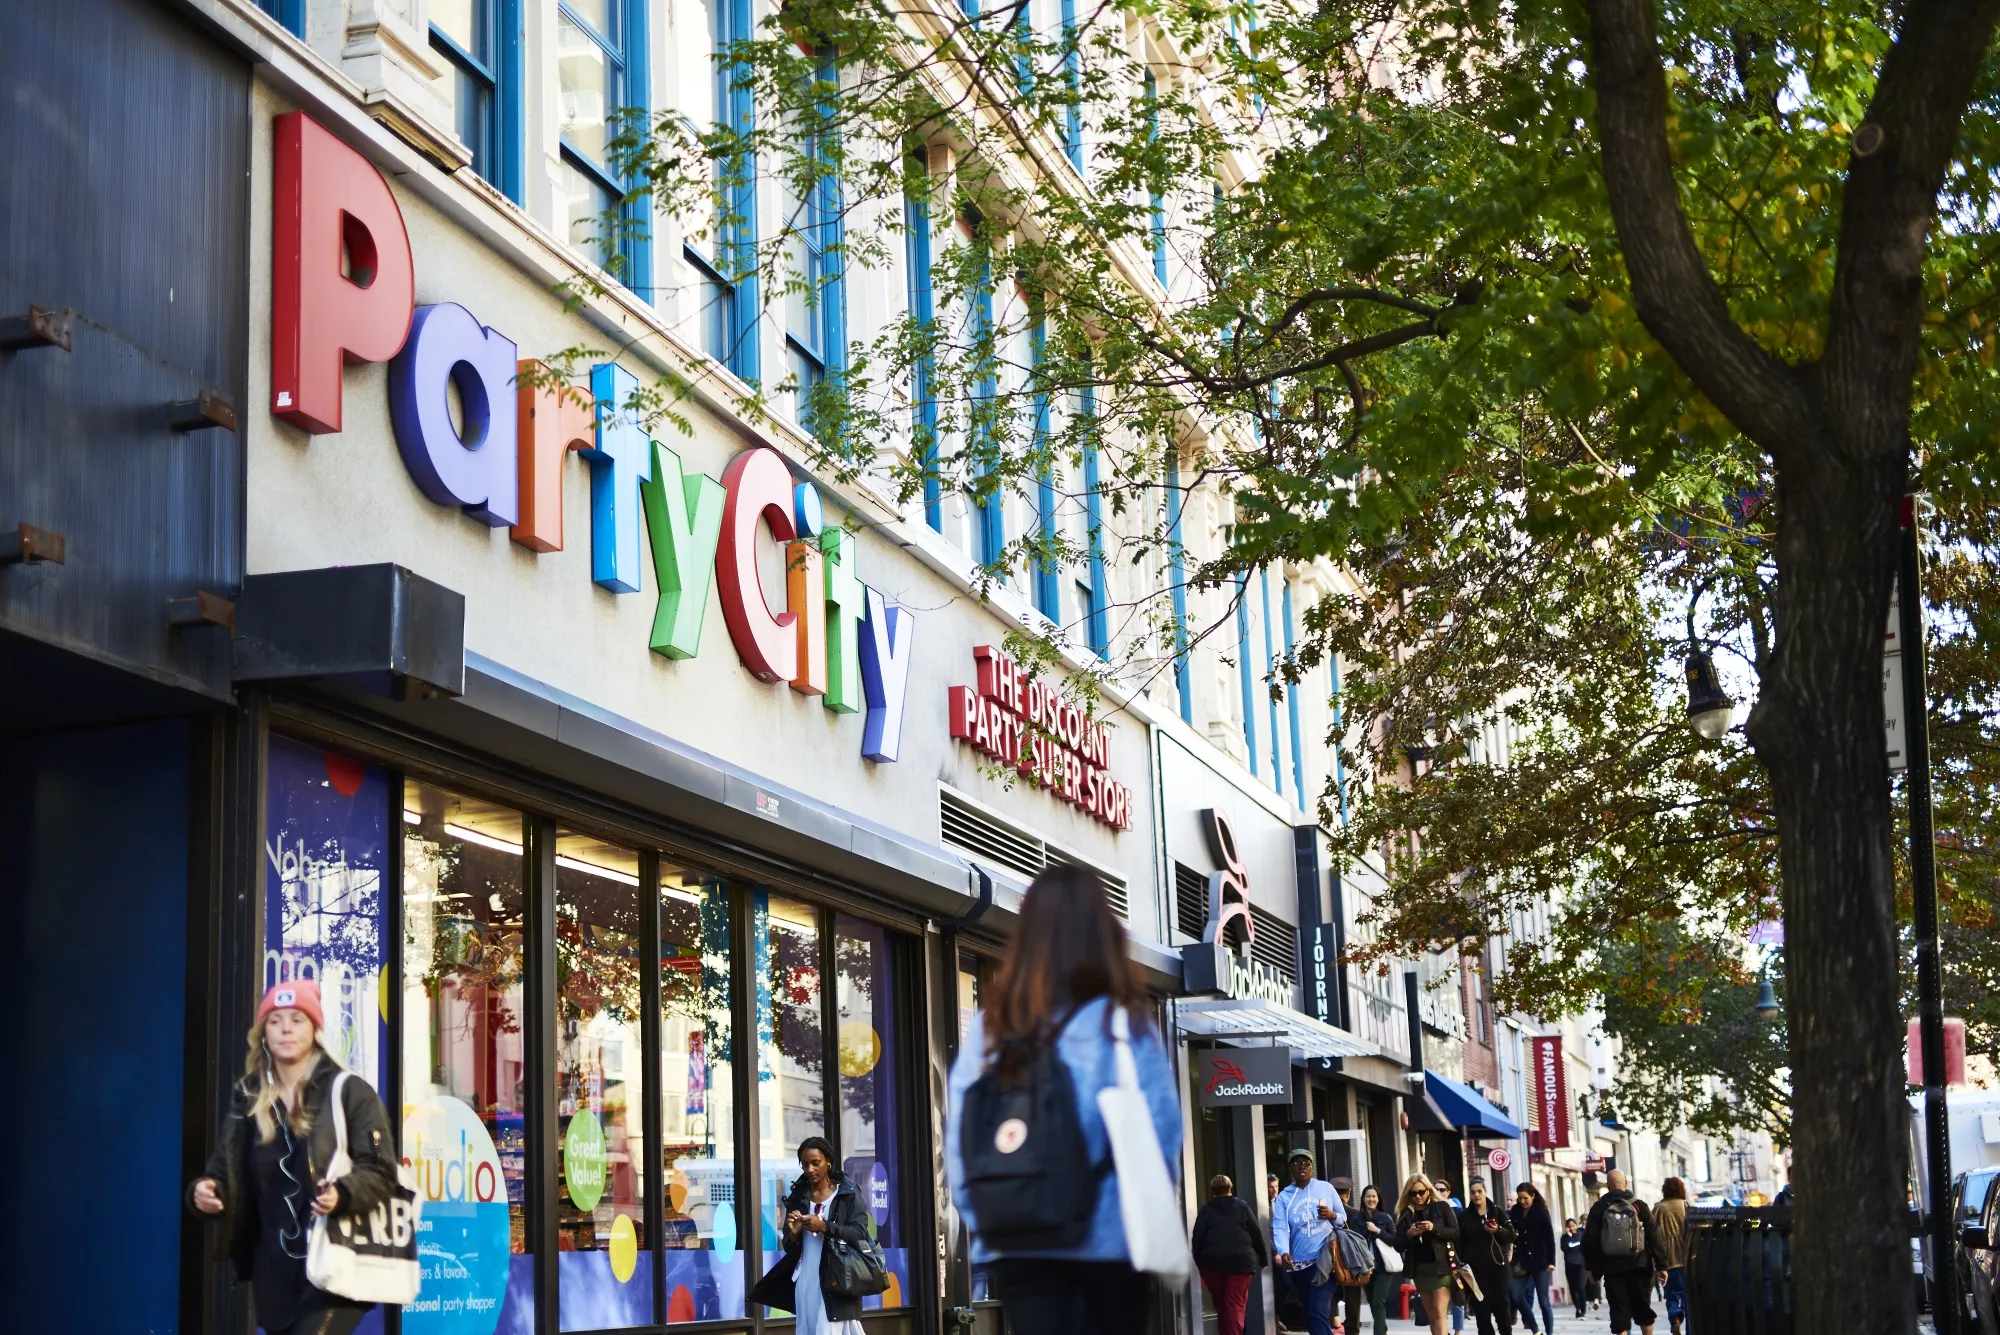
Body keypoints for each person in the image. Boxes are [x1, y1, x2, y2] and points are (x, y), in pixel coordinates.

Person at [944, 865, 1181, 1335]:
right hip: (1111, 1243)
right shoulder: (1122, 1027)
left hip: (1019, 1243)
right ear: (1103, 933)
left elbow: (962, 1141)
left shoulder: (994, 1028)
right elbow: (1162, 1138)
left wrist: (991, 1217)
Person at [186, 981, 399, 1335]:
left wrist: (342, 1193)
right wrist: (204, 1193)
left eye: (297, 1019)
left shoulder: (348, 1091)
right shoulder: (248, 1098)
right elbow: (224, 1176)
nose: (286, 1028)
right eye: (275, 1020)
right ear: (263, 1034)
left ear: (315, 1030)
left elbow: (381, 1170)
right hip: (273, 1272)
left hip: (337, 1261)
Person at [749, 1137, 869, 1334]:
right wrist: (794, 1234)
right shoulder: (799, 1196)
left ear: (828, 1161)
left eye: (816, 1163)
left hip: (837, 1278)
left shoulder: (847, 1193)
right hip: (806, 1278)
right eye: (805, 1164)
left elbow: (860, 1233)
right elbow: (789, 1245)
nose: (810, 1169)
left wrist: (824, 1226)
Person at [1582, 1170, 1667, 1335]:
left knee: (1619, 1312)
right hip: (1640, 1266)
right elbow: (1654, 1235)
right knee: (1643, 1310)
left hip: (1612, 1268)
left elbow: (1590, 1240)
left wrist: (1593, 1269)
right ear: (1625, 1184)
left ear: (1608, 1186)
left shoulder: (1600, 1207)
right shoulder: (1639, 1205)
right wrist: (1662, 1265)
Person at [1272, 1147, 1346, 1335]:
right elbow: (1280, 1228)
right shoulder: (1284, 1197)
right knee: (1310, 1313)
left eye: (1306, 1164)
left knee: (1318, 1311)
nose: (1302, 1167)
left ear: (1312, 1167)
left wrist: (1331, 1214)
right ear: (1291, 1168)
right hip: (1298, 1265)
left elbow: (1343, 1218)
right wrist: (1284, 1252)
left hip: (1325, 1260)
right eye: (1297, 1164)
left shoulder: (1326, 1188)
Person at [1192, 1174, 1270, 1335]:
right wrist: (1263, 1259)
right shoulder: (1242, 1206)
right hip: (1240, 1263)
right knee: (1234, 1305)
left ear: (1213, 1190)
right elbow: (1256, 1233)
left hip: (1212, 1265)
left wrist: (1199, 1265)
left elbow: (1197, 1239)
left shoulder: (1206, 1211)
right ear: (1230, 1188)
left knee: (1222, 1307)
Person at [1395, 1173, 1461, 1335]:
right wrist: (1409, 1234)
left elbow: (1455, 1233)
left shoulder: (1441, 1207)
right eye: (1413, 1193)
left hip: (1442, 1267)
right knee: (1431, 1316)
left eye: (1421, 1192)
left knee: (1439, 1312)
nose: (1418, 1196)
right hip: (1420, 1269)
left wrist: (1434, 1228)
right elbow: (1398, 1245)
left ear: (1428, 1190)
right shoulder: (1406, 1213)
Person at [1457, 1178, 1516, 1335]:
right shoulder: (1464, 1217)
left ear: (1485, 1192)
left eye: (1479, 1191)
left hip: (1499, 1268)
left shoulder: (1498, 1212)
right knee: (1481, 1310)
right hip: (1476, 1271)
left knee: (1502, 1308)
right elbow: (1460, 1244)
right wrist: (1460, 1267)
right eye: (1473, 1192)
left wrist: (1497, 1230)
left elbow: (1511, 1236)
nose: (1476, 1195)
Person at [1346, 1184, 1398, 1335]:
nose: (1371, 1199)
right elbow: (1354, 1244)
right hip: (1365, 1267)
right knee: (1372, 1301)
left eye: (1374, 1196)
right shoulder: (1357, 1220)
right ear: (1363, 1199)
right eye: (1368, 1196)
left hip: (1383, 1266)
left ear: (1378, 1199)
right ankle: (1383, 1330)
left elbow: (1393, 1240)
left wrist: (1377, 1230)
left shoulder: (1385, 1218)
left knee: (1378, 1301)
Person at [1508, 1183, 1557, 1334]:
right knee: (1516, 1296)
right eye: (1520, 1198)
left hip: (1540, 1261)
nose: (1522, 1201)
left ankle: (1549, 1332)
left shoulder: (1541, 1212)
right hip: (1521, 1260)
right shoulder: (1515, 1211)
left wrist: (1551, 1262)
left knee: (1543, 1301)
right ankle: (1535, 1329)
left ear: (1533, 1196)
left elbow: (1550, 1238)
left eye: (1525, 1198)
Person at [1653, 1178, 1690, 1335]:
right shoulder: (1685, 1205)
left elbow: (1652, 1233)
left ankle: (1675, 1316)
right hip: (1686, 1256)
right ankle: (1687, 1322)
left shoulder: (1658, 1208)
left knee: (1671, 1294)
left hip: (1667, 1259)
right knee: (1687, 1295)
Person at [1435, 1180, 1466, 1333]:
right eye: (1435, 1190)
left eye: (1442, 1190)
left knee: (1457, 1295)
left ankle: (1458, 1331)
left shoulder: (1458, 1211)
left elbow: (1460, 1235)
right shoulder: (1431, 1210)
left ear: (1448, 1192)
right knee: (1440, 1299)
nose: (1439, 1193)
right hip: (1438, 1261)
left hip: (1456, 1260)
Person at [1560, 1218, 1589, 1318]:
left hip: (1582, 1265)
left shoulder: (1581, 1233)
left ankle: (1583, 1310)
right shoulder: (1564, 1238)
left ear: (1576, 1225)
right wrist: (1568, 1236)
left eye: (1573, 1226)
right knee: (1573, 1289)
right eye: (1569, 1226)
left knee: (1581, 1287)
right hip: (1570, 1265)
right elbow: (1564, 1248)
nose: (1572, 1228)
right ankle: (1578, 1309)